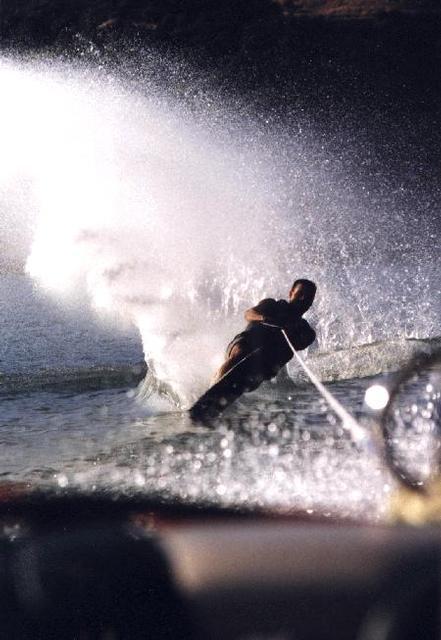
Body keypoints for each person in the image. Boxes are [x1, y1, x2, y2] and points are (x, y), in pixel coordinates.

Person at [212, 279, 317, 389]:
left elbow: (302, 342)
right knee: (242, 352)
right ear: (291, 293)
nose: (303, 299)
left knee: (263, 369)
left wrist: (291, 331)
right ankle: (214, 385)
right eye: (300, 294)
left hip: (262, 367)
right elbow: (249, 314)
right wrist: (264, 318)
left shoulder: (306, 331)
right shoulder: (272, 305)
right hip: (241, 347)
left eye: (308, 297)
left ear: (311, 303)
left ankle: (230, 391)